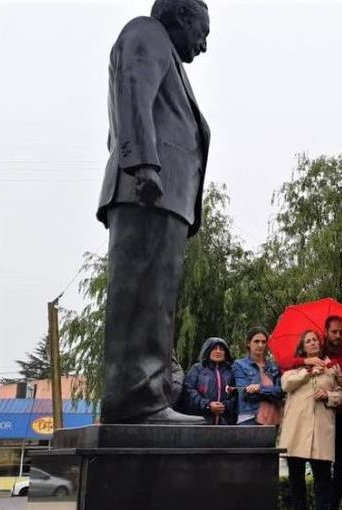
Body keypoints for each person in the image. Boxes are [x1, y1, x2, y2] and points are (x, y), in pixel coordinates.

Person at [97, 0, 211, 424]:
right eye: (203, 31)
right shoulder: (146, 32)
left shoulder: (166, 50)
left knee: (155, 300)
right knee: (141, 297)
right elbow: (133, 88)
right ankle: (137, 401)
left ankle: (150, 396)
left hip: (166, 196)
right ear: (182, 16)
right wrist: (142, 162)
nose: (203, 45)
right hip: (147, 187)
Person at [283, 316, 342, 510]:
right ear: (326, 333)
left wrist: (337, 388)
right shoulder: (297, 366)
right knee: (297, 469)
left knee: (330, 466)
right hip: (301, 425)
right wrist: (307, 366)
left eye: (341, 332)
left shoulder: (338, 363)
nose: (338, 336)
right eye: (334, 332)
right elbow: (286, 378)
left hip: (331, 420)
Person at [279, 330, 342, 510]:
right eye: (308, 341)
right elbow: (286, 385)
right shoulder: (293, 367)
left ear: (320, 344)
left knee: (322, 474)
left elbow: (341, 394)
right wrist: (307, 373)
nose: (312, 343)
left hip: (321, 426)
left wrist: (327, 395)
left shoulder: (332, 368)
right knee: (296, 474)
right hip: (297, 428)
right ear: (303, 347)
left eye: (315, 339)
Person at [232, 327, 283, 426]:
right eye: (256, 341)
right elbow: (245, 393)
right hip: (249, 418)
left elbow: (281, 391)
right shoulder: (239, 365)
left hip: (273, 418)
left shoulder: (273, 367)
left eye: (263, 342)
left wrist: (259, 389)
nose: (260, 345)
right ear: (248, 343)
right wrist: (270, 392)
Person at [180, 337, 237, 425]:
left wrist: (225, 406)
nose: (218, 351)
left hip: (226, 423)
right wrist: (207, 405)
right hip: (201, 422)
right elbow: (189, 391)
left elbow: (237, 393)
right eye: (214, 348)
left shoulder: (232, 371)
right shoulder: (197, 369)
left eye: (221, 349)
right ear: (208, 350)